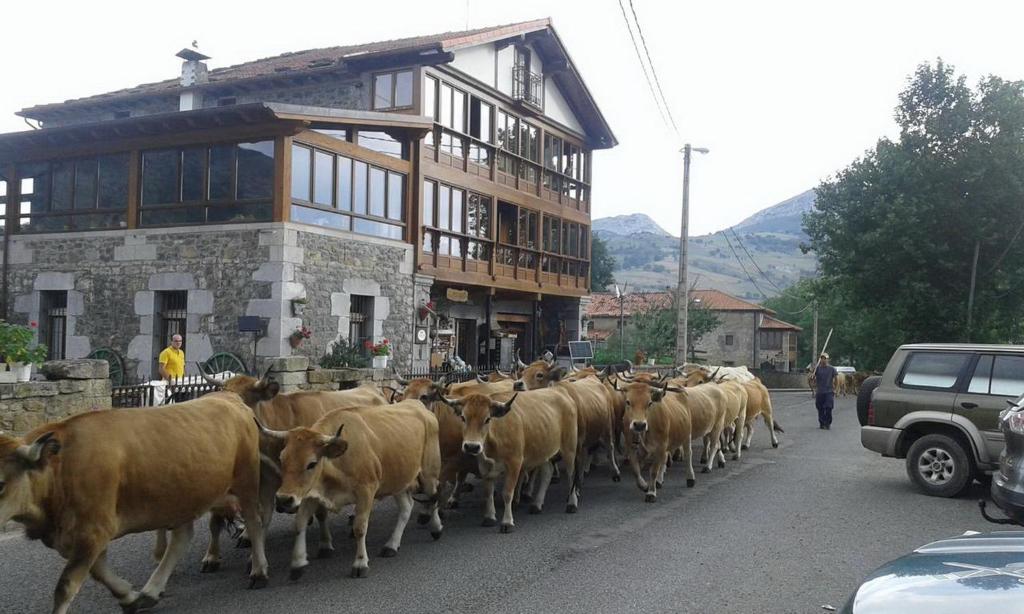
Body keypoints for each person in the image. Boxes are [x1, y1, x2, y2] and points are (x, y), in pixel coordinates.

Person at [814, 352, 838, 430]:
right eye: (822, 358)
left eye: (825, 359)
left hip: (829, 391)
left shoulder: (831, 369)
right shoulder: (817, 369)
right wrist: (812, 377)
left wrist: (835, 389)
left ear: (828, 360)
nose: (823, 360)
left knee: (828, 407)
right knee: (820, 407)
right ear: (820, 360)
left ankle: (827, 423)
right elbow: (813, 378)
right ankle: (821, 422)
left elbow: (836, 379)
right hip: (820, 391)